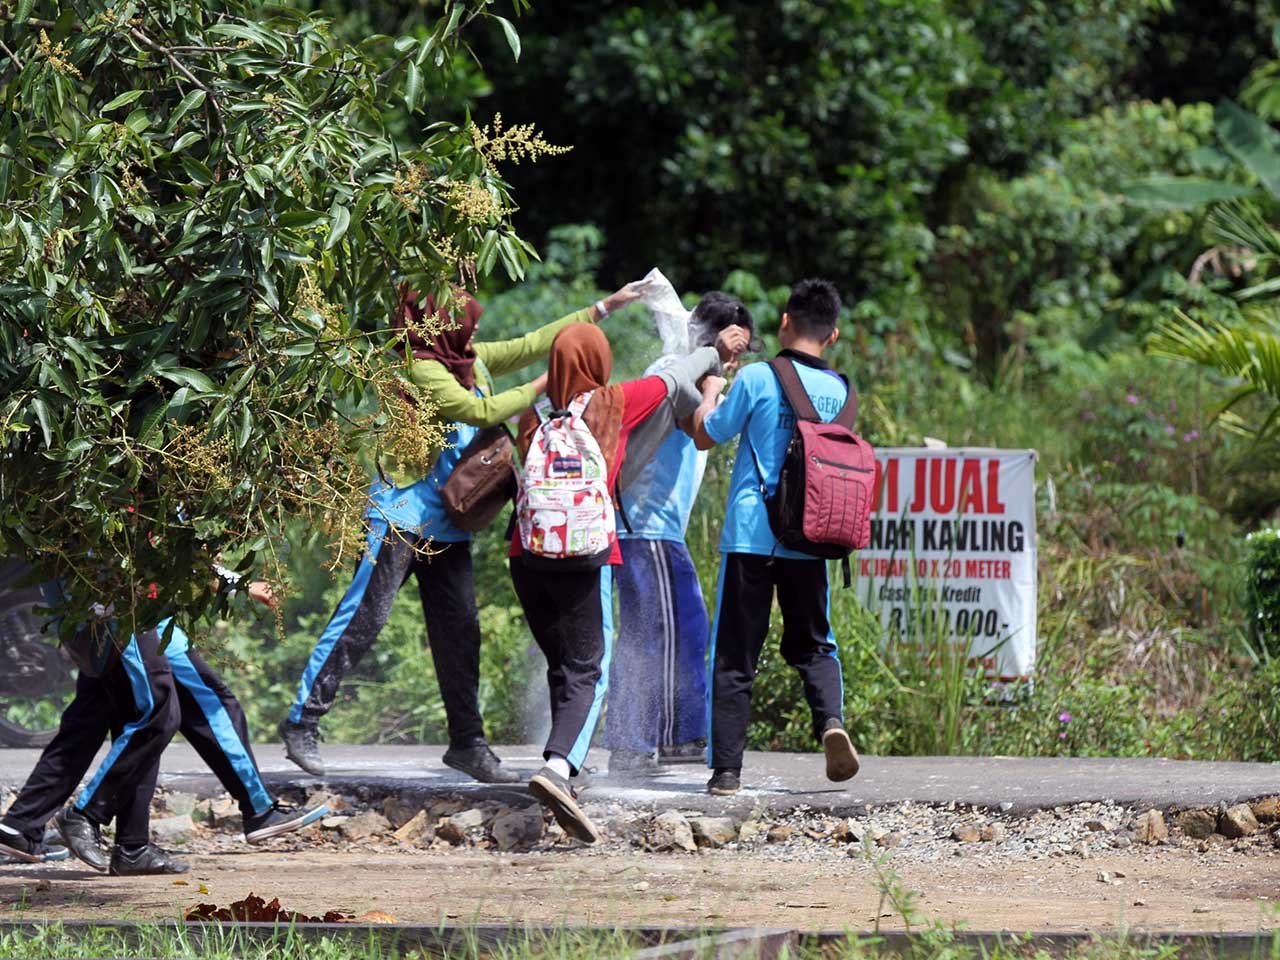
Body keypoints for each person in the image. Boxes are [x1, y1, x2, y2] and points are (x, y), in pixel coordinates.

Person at [280, 284, 645, 784]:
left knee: (460, 633)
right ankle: (303, 720)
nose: (473, 333)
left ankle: (467, 743)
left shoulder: (471, 361)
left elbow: (533, 341)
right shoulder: (419, 367)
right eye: (465, 325)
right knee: (365, 617)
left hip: (449, 524)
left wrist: (605, 307)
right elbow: (478, 412)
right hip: (401, 515)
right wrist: (545, 384)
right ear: (441, 327)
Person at [510, 322, 741, 842]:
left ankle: (569, 762)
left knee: (562, 665)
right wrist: (712, 353)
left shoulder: (532, 416)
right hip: (584, 554)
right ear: (598, 361)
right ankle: (558, 770)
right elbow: (672, 379)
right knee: (589, 669)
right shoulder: (610, 403)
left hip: (526, 556)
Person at [0, 579, 324, 875]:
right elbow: (158, 541)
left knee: (98, 721)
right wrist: (232, 582)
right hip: (120, 608)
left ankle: (120, 843)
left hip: (130, 609)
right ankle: (87, 816)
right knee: (157, 715)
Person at [686, 279, 861, 797]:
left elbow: (705, 434)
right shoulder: (844, 391)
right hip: (811, 536)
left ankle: (726, 773)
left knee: (736, 652)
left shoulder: (759, 377)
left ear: (785, 321)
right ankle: (830, 721)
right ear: (834, 335)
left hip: (752, 536)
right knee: (814, 643)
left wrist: (712, 393)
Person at [604, 293, 756, 773]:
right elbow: (699, 426)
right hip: (647, 526)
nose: (735, 362)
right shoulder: (676, 367)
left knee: (657, 630)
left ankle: (649, 739)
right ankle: (658, 739)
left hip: (651, 526)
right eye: (735, 350)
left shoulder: (678, 365)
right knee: (673, 629)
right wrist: (714, 387)